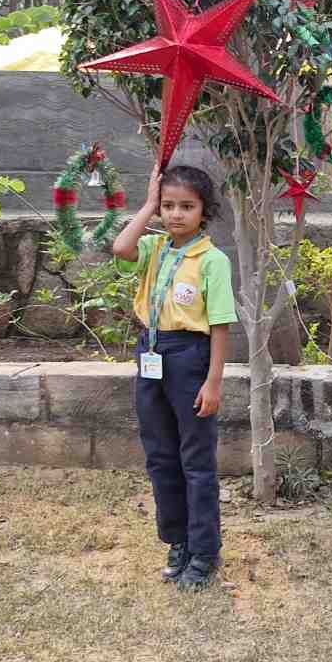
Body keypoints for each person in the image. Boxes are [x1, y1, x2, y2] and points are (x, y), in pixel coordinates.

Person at [113, 163, 237, 591]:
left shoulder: (212, 261)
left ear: (204, 211)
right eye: (168, 205)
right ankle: (177, 542)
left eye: (186, 206)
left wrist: (213, 382)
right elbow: (120, 247)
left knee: (195, 461)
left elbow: (220, 325)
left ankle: (204, 551)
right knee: (160, 456)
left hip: (191, 358)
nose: (175, 214)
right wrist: (147, 204)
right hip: (150, 351)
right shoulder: (154, 249)